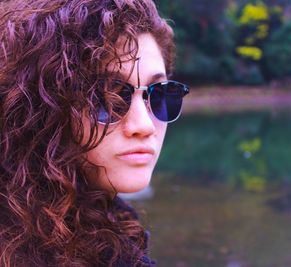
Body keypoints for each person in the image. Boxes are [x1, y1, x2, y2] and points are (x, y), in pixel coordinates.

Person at [0, 0, 189, 266]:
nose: (144, 125)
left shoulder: (110, 229)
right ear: (40, 111)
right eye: (105, 98)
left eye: (158, 95)